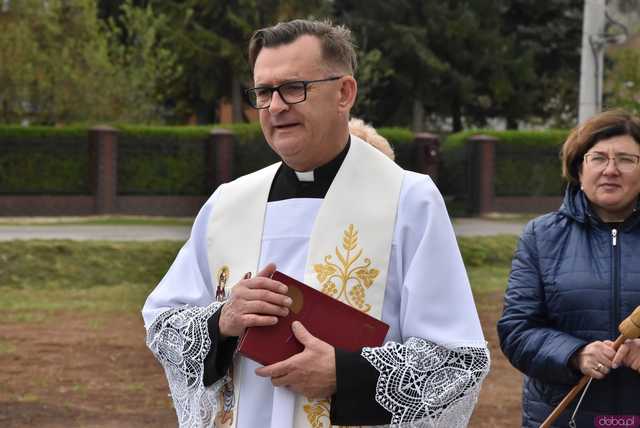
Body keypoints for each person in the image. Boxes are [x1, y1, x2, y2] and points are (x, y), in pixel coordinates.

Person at [143, 19, 489, 428]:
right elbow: (163, 323)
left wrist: (345, 373)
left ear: (344, 93)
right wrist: (222, 321)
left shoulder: (409, 200)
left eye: (293, 88)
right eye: (264, 92)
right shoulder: (228, 203)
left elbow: (456, 361)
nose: (275, 106)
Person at [497, 110, 640, 427]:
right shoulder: (541, 236)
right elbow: (517, 329)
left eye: (627, 160)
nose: (611, 170)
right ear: (579, 167)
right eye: (598, 158)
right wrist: (575, 354)